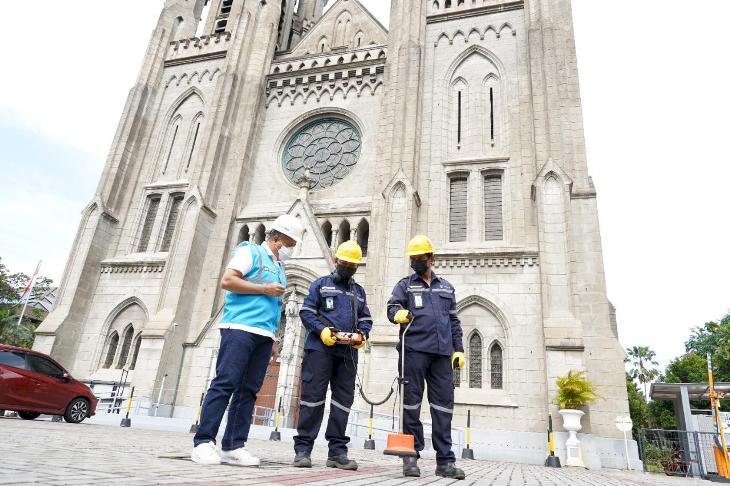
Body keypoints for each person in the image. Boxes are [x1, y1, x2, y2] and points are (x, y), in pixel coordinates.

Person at [191, 214, 304, 466]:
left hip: (264, 335)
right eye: (291, 243)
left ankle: (233, 445)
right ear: (277, 239)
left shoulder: (280, 268)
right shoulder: (250, 251)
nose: (292, 249)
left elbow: (274, 306)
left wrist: (274, 337)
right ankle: (203, 442)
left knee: (248, 391)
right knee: (225, 384)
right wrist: (264, 288)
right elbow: (228, 281)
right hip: (239, 328)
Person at [386, 235, 466, 480]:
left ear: (431, 258)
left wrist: (459, 349)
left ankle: (445, 461)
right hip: (413, 352)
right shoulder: (405, 285)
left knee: (443, 407)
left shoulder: (446, 287)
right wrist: (398, 313)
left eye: (421, 258)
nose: (416, 262)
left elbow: (453, 320)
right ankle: (410, 458)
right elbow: (391, 308)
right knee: (411, 406)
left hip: (442, 355)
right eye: (413, 259)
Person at [293, 241, 373, 470]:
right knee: (313, 399)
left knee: (342, 403)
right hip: (320, 350)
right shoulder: (320, 285)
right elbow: (306, 312)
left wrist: (362, 335)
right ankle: (303, 450)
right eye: (345, 263)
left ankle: (337, 453)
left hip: (347, 354)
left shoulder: (358, 292)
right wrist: (322, 331)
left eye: (353, 265)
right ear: (337, 261)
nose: (348, 267)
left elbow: (366, 319)